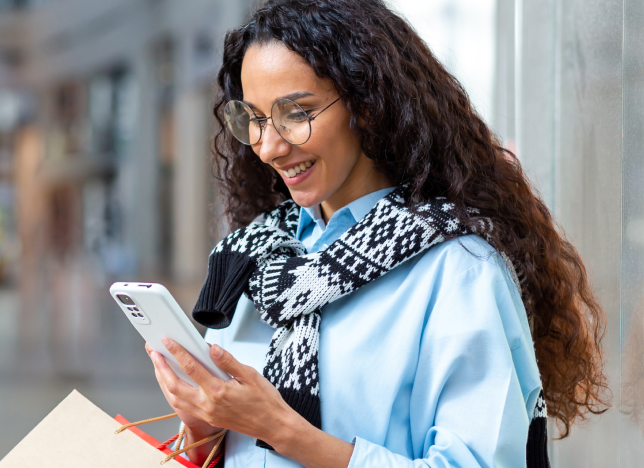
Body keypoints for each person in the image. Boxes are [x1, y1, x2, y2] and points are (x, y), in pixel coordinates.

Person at [144, 1, 609, 466]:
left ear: (366, 106)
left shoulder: (457, 270)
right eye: (256, 119)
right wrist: (205, 428)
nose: (269, 147)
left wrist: (281, 429)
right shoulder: (251, 260)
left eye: (296, 113)